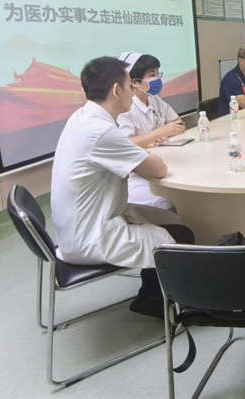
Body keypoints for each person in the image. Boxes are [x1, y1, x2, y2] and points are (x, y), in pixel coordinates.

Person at [51, 57, 194, 318]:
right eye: (130, 85)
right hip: (91, 236)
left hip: (83, 223)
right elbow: (157, 170)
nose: (134, 90)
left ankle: (151, 292)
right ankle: (156, 302)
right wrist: (148, 152)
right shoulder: (100, 131)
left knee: (173, 220)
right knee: (174, 237)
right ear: (117, 90)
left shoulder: (83, 117)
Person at [116, 52, 185, 211]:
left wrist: (164, 133)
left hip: (164, 159)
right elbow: (127, 143)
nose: (158, 79)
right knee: (171, 198)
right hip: (140, 174)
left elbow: (179, 122)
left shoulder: (154, 99)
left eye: (158, 74)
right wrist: (158, 133)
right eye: (152, 75)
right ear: (135, 82)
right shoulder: (126, 107)